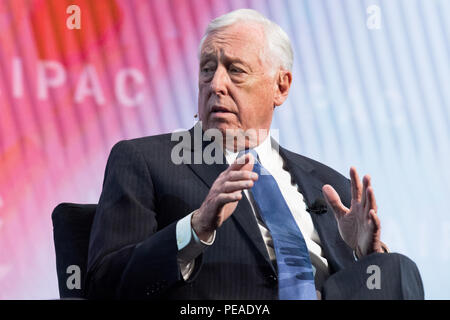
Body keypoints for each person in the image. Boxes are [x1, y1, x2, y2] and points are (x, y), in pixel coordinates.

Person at [85, 9, 423, 300]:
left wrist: (366, 256)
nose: (216, 84)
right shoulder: (146, 160)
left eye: (235, 70)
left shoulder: (328, 186)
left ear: (281, 86)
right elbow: (105, 285)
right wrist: (196, 227)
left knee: (396, 267)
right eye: (207, 69)